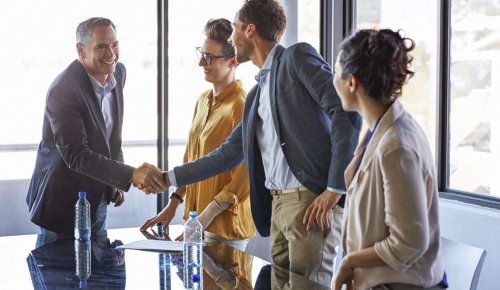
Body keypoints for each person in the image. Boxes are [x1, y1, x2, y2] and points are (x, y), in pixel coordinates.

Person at [158, 0, 361, 286]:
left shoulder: (296, 57)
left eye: (235, 30)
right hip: (277, 207)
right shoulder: (256, 95)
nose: (231, 39)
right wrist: (167, 178)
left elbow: (345, 109)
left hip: (309, 201)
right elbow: (226, 155)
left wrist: (334, 188)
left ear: (250, 30)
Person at [26, 17, 168, 239]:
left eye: (115, 45)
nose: (111, 53)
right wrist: (130, 174)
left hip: (97, 199)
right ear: (81, 51)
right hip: (62, 204)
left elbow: (111, 135)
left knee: (101, 270)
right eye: (101, 46)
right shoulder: (63, 90)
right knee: (58, 273)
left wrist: (116, 179)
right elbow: (76, 155)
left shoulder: (118, 73)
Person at [332, 29, 447, 290]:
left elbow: (409, 242)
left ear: (352, 82)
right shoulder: (380, 131)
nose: (332, 81)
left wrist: (350, 262)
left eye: (335, 72)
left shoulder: (396, 146)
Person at [140, 18, 255, 251]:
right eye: (202, 54)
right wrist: (173, 204)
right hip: (195, 223)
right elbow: (191, 160)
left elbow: (244, 177)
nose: (202, 62)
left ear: (233, 61)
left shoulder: (242, 106)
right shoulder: (203, 101)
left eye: (210, 57)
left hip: (224, 229)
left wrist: (205, 218)